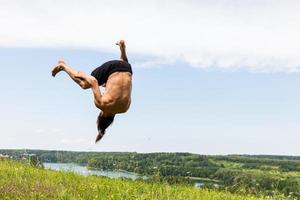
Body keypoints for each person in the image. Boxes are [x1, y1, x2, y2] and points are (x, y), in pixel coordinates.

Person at [51, 40, 132, 143]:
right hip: (111, 68)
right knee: (85, 84)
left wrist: (108, 84)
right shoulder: (101, 105)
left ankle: (122, 48)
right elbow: (93, 81)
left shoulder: (125, 109)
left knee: (123, 70)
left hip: (126, 67)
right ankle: (63, 66)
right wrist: (82, 75)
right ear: (102, 115)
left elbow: (123, 88)